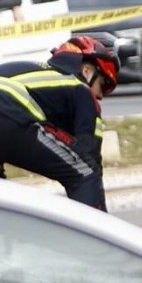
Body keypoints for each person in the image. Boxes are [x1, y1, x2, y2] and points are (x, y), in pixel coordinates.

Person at [0, 36, 118, 210]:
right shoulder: (81, 89)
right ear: (87, 71)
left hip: (8, 109)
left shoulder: (35, 72)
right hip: (8, 108)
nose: (100, 96)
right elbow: (89, 153)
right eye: (103, 84)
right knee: (85, 171)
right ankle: (89, 236)